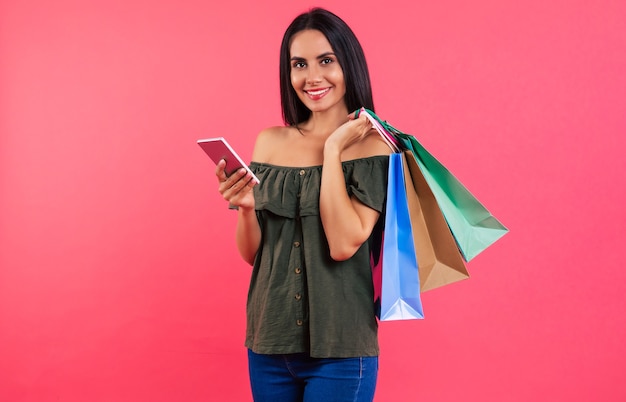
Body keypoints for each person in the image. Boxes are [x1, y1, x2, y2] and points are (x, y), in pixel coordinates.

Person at [215, 8, 392, 402]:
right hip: (268, 344)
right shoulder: (270, 142)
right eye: (299, 64)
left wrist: (332, 149)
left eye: (326, 61)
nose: (312, 77)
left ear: (349, 64)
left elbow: (344, 244)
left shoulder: (374, 148)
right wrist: (246, 207)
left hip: (341, 350)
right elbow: (254, 255)